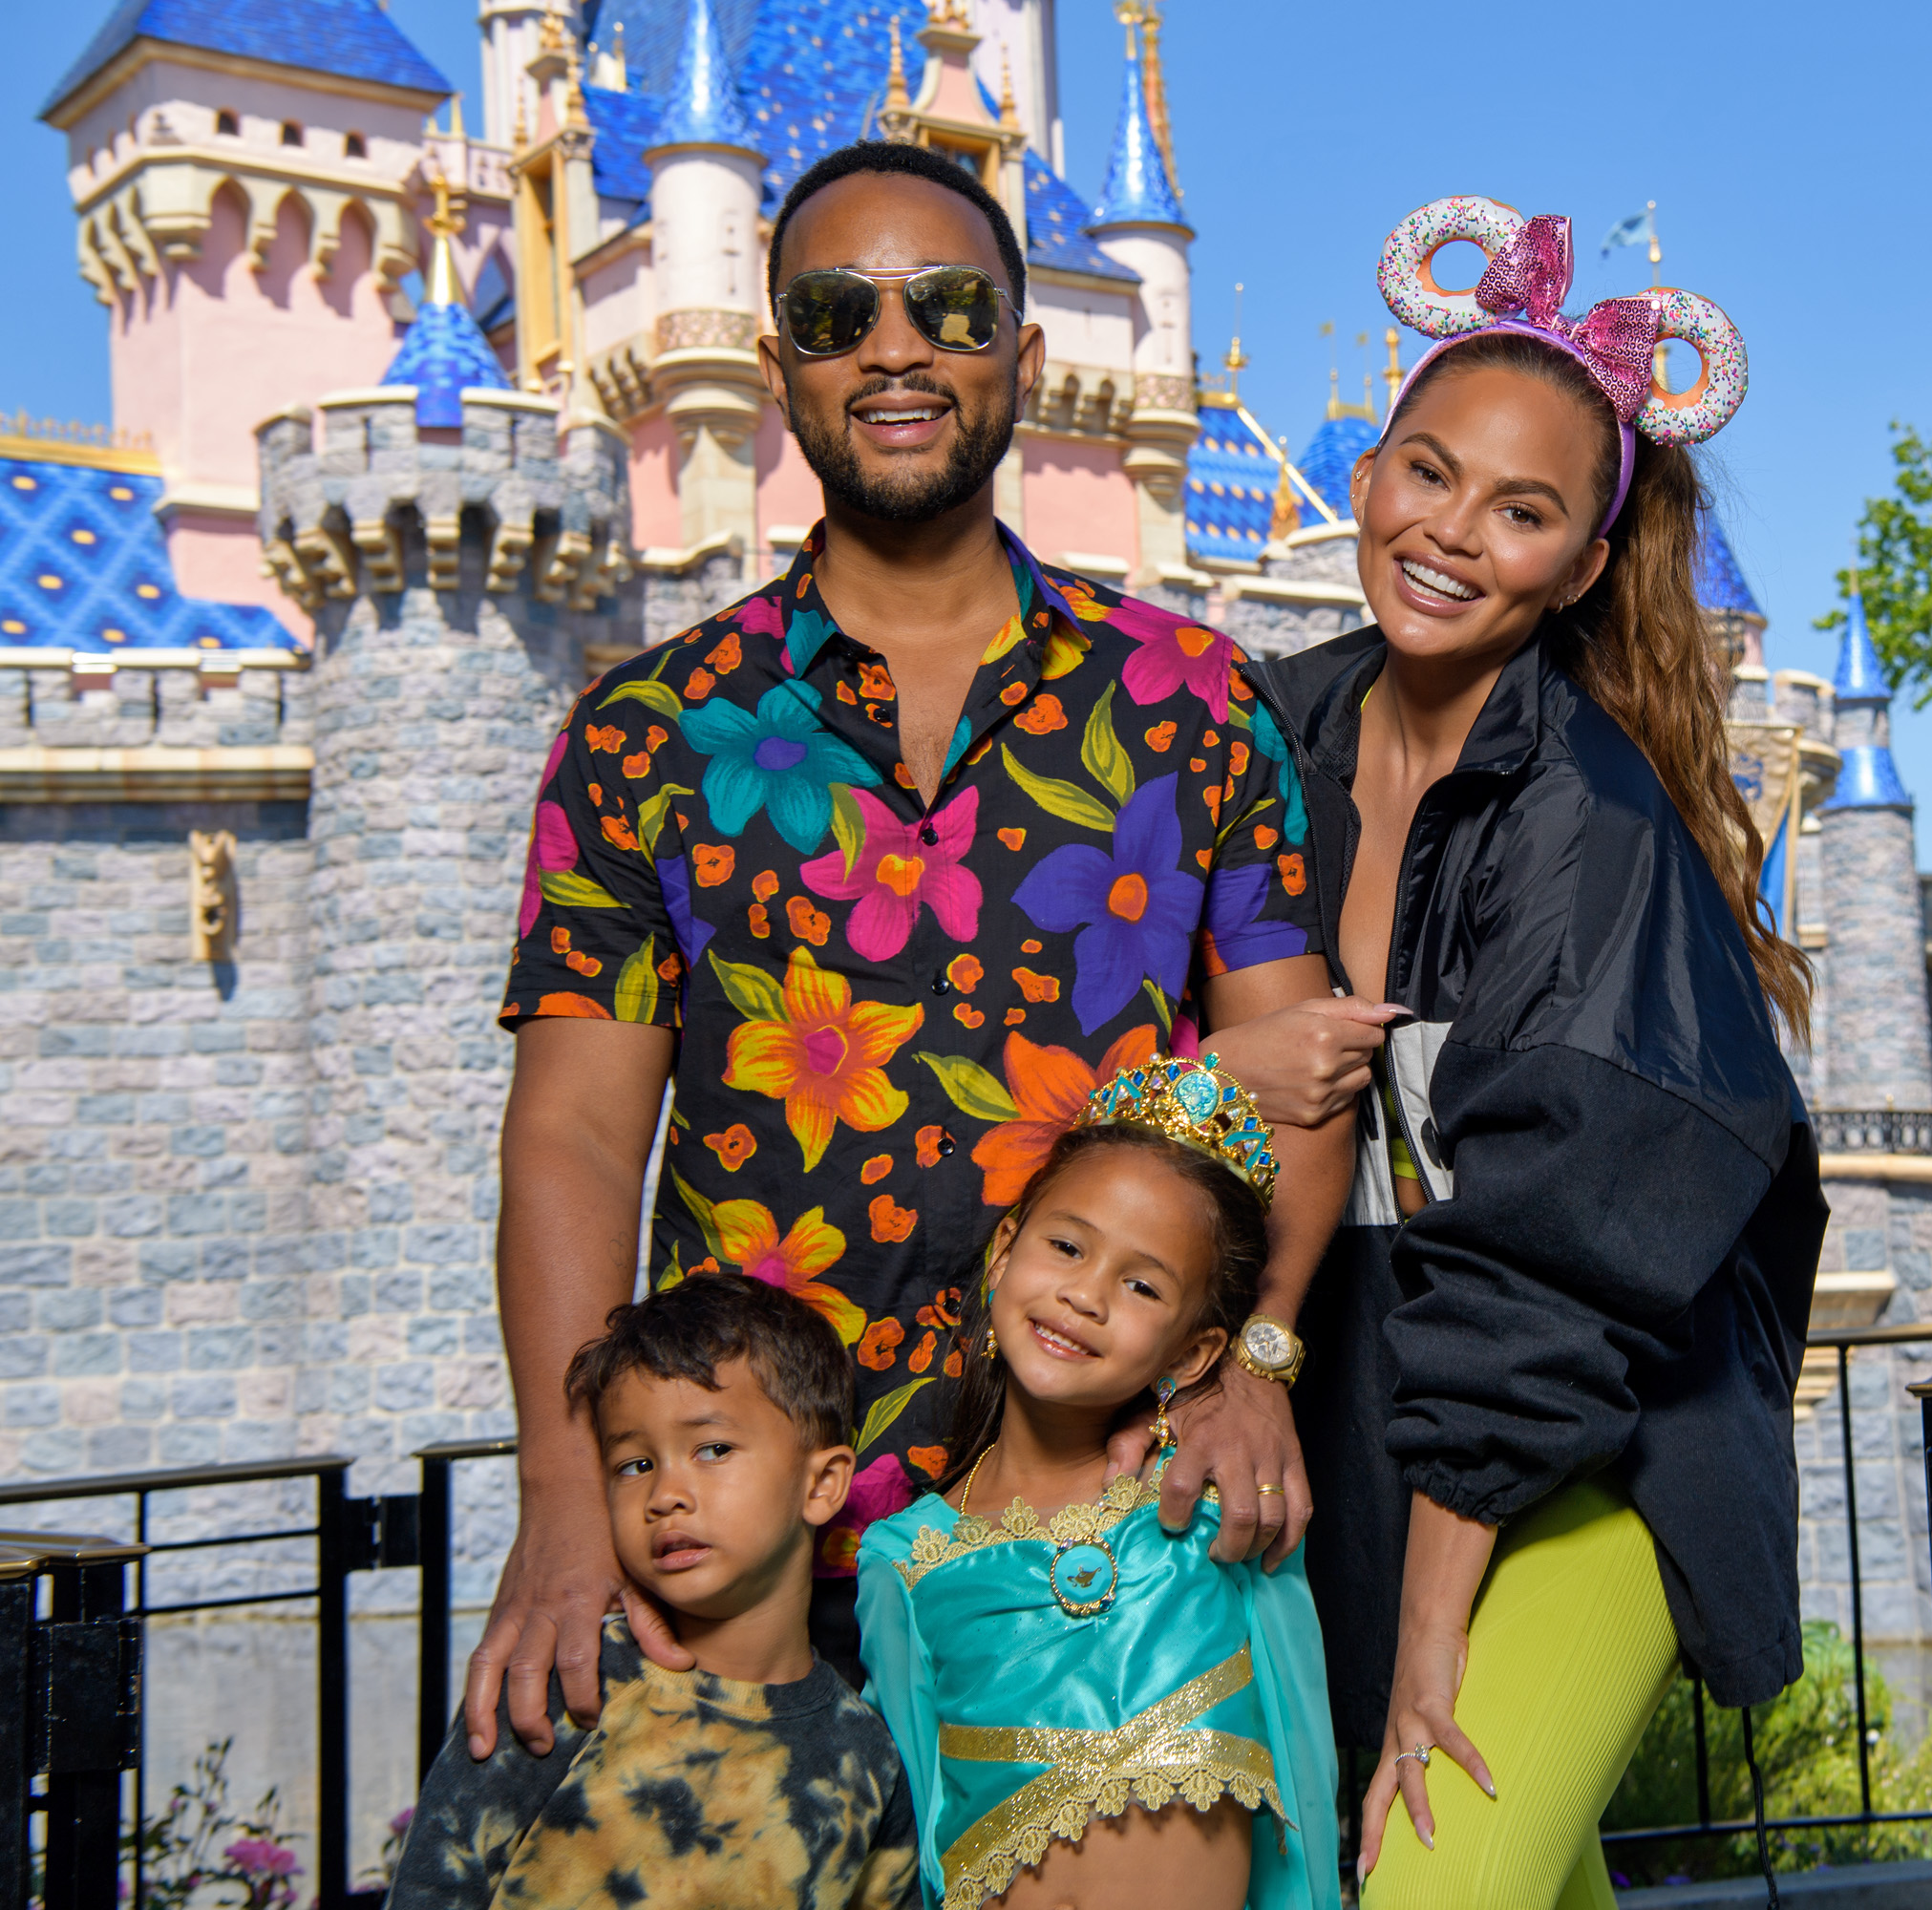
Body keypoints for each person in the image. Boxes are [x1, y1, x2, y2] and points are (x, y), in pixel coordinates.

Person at [478, 138, 1358, 1760]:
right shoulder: (647, 732)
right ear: (776, 366)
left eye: (948, 307)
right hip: (741, 1545)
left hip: (1106, 1523)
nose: (894, 348)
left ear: (1025, 358)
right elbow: (577, 1131)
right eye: (835, 313)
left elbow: (1302, 1080)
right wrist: (561, 1493)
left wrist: (1264, 1365)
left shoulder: (1193, 700)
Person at [1242, 201, 1826, 1908]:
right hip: (1368, 1440)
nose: (1448, 534)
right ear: (1368, 468)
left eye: (1522, 510)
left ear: (1581, 565)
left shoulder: (1590, 826)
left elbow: (1548, 1271)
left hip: (1597, 1458)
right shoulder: (1265, 735)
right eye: (1425, 471)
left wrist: (1433, 1641)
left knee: (1431, 1885)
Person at [854, 1055, 1334, 1910]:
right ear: (1004, 1254)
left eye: (1142, 1285)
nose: (1085, 1294)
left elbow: (1302, 1761)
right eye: (1068, 1246)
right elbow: (918, 1840)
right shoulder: (905, 1559)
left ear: (1192, 1354)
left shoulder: (1213, 1519)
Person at [390, 1273, 919, 1909]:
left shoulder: (867, 1757)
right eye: (634, 1465)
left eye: (712, 1449)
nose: (666, 1494)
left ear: (822, 1485)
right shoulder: (570, 1681)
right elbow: (432, 1888)